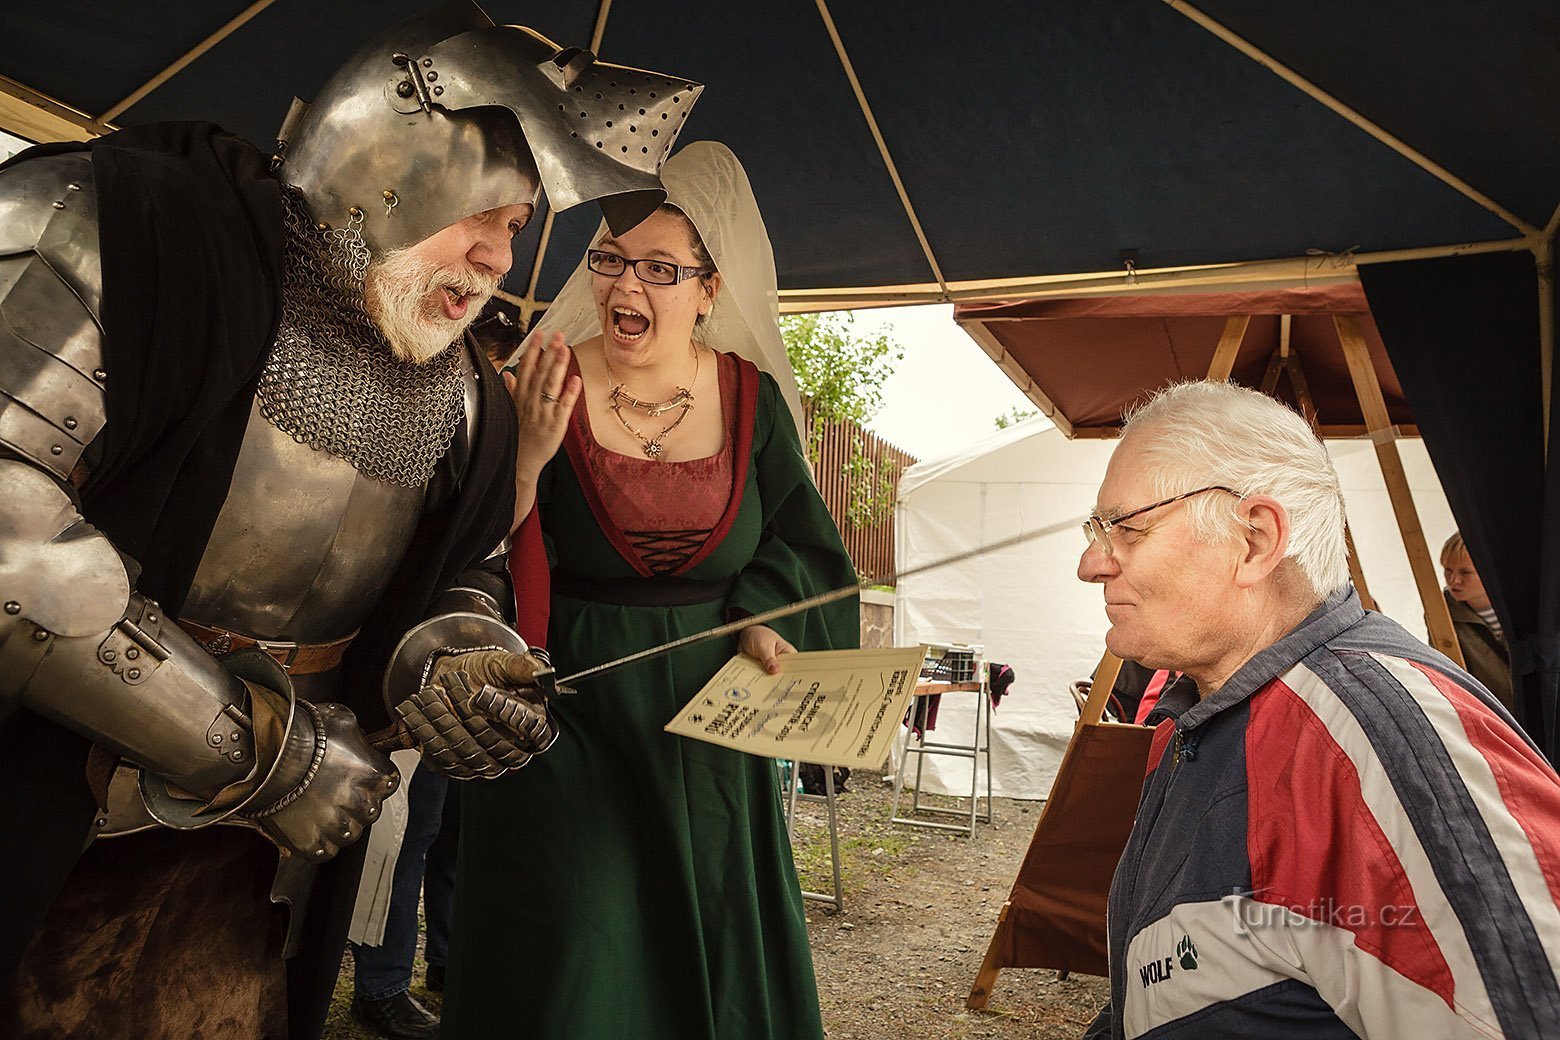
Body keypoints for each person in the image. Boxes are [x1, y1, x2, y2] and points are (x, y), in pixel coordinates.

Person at [0, 4, 698, 1037]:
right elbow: (10, 541)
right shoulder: (115, 229)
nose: (505, 259)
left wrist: (459, 656)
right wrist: (262, 751)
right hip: (51, 811)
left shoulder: (461, 391)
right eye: (495, 216)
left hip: (256, 876)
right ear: (395, 163)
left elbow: (466, 565)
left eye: (514, 230)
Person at [442, 141, 858, 1040]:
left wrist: (761, 619)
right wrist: (524, 465)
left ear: (711, 287)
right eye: (610, 262)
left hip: (711, 723)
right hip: (564, 712)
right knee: (576, 954)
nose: (627, 288)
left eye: (662, 270)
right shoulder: (536, 381)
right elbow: (459, 559)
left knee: (707, 940)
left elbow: (802, 545)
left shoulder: (752, 401)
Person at [1077, 381, 1560, 1039]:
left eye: (1126, 528)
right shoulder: (1190, 723)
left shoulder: (1384, 740)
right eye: (1097, 530)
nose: (1091, 563)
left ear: (1254, 540)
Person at [1440, 530, 1513, 711]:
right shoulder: (1442, 611)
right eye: (1448, 570)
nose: (1454, 580)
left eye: (1465, 572)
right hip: (1497, 716)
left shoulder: (1522, 605)